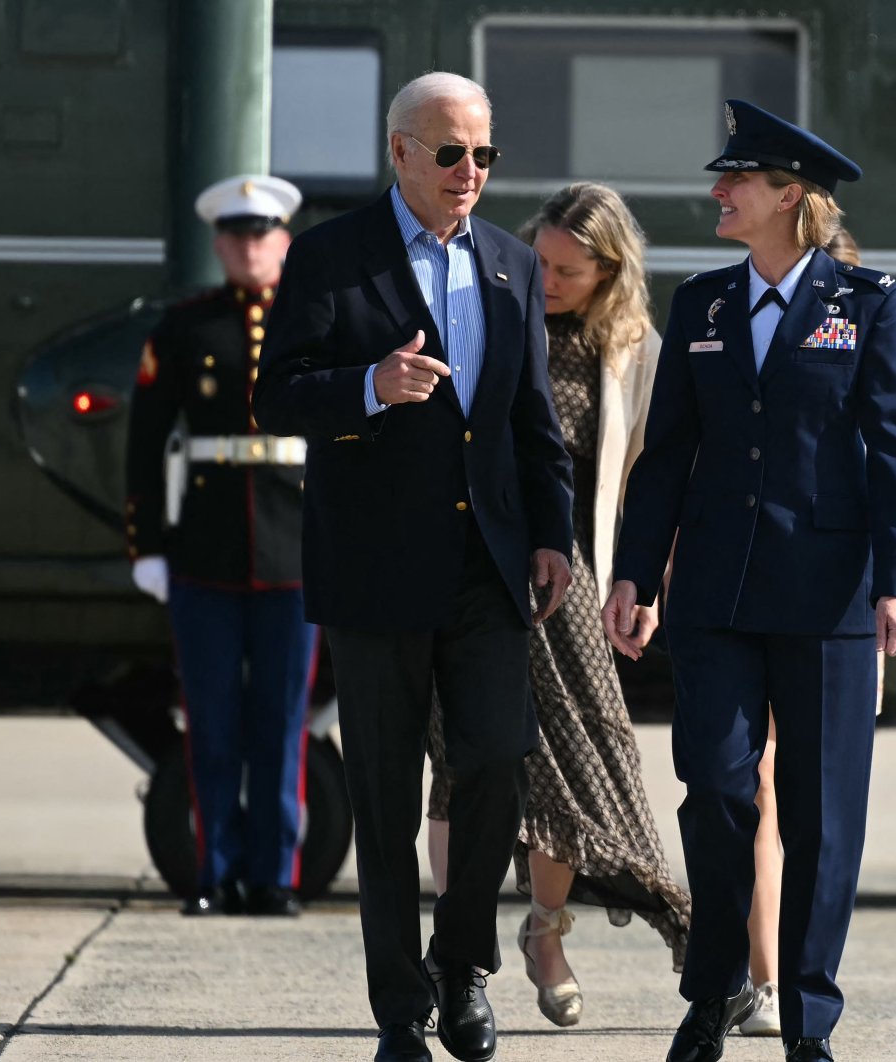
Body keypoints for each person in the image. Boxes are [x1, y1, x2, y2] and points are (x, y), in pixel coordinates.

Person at [252, 72, 574, 1062]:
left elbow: (533, 425)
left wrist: (556, 535)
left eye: (483, 154)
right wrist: (367, 385)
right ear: (398, 153)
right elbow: (277, 397)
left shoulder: (514, 265)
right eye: (449, 153)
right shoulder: (329, 259)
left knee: (491, 763)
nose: (468, 172)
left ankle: (462, 966)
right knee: (386, 800)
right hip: (376, 567)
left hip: (489, 566)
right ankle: (400, 1010)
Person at [602, 100, 896, 1062]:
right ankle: (711, 996)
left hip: (828, 596)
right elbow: (667, 455)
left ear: (791, 196)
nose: (718, 192)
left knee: (824, 820)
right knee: (716, 793)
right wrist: (636, 574)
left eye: (735, 181)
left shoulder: (871, 305)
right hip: (715, 593)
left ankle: (808, 1022)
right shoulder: (702, 302)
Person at [424, 182, 690, 1027]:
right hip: (473, 565)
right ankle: (452, 955)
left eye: (567, 271)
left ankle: (546, 932)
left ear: (611, 271)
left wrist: (644, 586)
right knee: (459, 759)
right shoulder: (495, 315)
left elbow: (657, 480)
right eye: (538, 259)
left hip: (570, 577)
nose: (545, 279)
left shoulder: (636, 349)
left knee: (576, 756)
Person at [735, 224, 896, 1040]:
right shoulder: (727, 313)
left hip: (837, 599)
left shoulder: (877, 320)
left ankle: (795, 990)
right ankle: (759, 975)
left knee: (808, 799)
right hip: (751, 586)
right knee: (746, 785)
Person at [124, 174, 316, 919]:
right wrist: (147, 543)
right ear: (218, 244)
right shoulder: (183, 327)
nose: (249, 247)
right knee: (211, 721)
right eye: (236, 236)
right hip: (204, 552)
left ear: (284, 241)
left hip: (294, 551)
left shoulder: (315, 324)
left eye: (262, 234)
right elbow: (145, 444)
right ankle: (214, 872)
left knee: (282, 723)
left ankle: (275, 876)